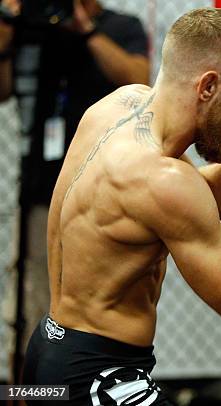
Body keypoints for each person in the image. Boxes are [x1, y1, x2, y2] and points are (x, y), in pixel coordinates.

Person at [22, 7, 221, 405]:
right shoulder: (163, 180)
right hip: (96, 378)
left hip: (49, 355)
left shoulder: (120, 106)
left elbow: (198, 204)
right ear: (207, 86)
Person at [0, 0, 149, 381]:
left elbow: (139, 78)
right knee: (32, 300)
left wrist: (87, 31)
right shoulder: (39, 29)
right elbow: (3, 90)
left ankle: (77, 388)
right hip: (43, 188)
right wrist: (7, 23)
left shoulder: (120, 26)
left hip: (104, 192)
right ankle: (27, 396)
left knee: (82, 304)